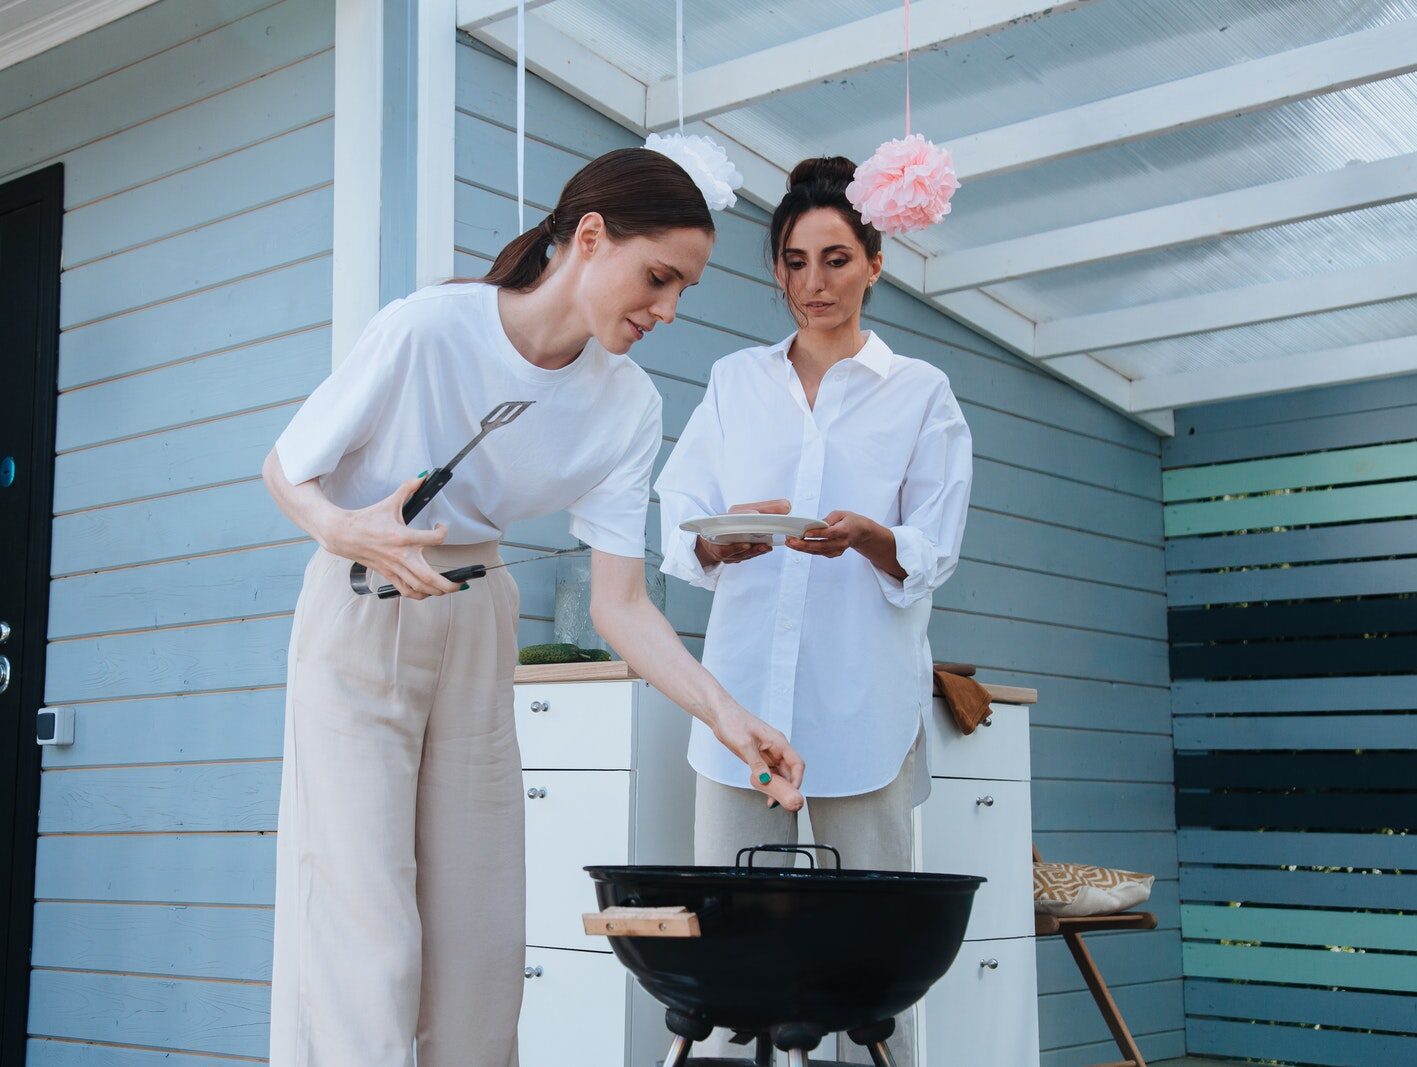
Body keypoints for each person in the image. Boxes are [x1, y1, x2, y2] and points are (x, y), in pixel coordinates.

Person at [261, 147, 805, 1067]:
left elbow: (622, 604)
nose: (667, 309)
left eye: (683, 290)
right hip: (360, 604)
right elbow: (287, 465)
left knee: (478, 933)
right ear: (590, 238)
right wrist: (346, 530)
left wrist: (730, 716)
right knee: (365, 926)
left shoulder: (628, 406)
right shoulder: (431, 328)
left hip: (477, 621)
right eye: (658, 277)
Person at [656, 155, 973, 1065]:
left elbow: (933, 545)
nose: (813, 283)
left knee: (875, 955)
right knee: (725, 944)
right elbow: (682, 522)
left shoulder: (921, 393)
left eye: (835, 259)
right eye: (794, 261)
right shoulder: (734, 382)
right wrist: (725, 539)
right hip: (740, 704)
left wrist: (871, 537)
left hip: (860, 706)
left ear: (875, 262)